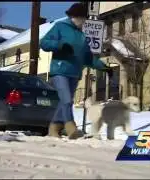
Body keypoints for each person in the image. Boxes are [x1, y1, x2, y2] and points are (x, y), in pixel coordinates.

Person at [40, 3, 113, 139]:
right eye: (84, 19)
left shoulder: (82, 36)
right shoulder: (60, 27)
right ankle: (71, 128)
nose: (85, 22)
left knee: (64, 102)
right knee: (67, 100)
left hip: (74, 73)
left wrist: (104, 67)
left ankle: (53, 129)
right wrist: (60, 46)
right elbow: (44, 43)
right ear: (76, 17)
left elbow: (88, 58)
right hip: (60, 71)